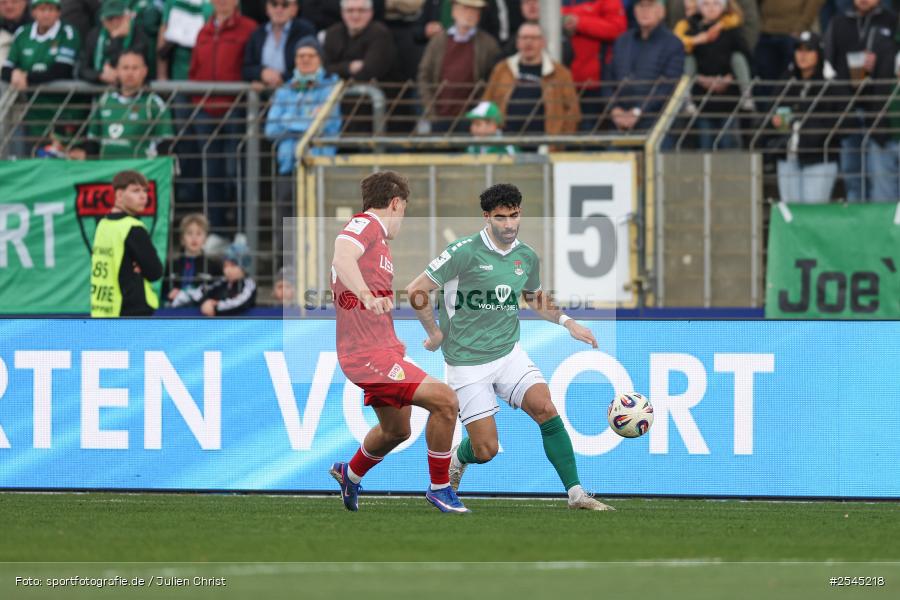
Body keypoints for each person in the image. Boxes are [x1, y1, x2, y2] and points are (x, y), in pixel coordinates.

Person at [405, 183, 613, 511]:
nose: (509, 224)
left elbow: (534, 297)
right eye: (501, 218)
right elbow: (416, 290)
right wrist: (433, 333)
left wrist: (568, 323)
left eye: (514, 216)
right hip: (466, 362)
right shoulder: (463, 252)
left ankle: (576, 494)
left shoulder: (526, 256)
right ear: (487, 217)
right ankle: (460, 459)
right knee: (485, 449)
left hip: (508, 353)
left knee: (545, 406)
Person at [329, 171, 469, 514]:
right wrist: (366, 295)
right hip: (367, 354)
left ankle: (351, 473)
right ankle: (440, 489)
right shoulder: (367, 225)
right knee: (446, 402)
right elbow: (340, 256)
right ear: (395, 203)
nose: (402, 219)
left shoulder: (379, 244)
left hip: (380, 349)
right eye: (404, 210)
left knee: (396, 430)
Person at [265, 35, 341, 250]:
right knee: (286, 224)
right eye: (300, 56)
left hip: (318, 166)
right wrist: (307, 123)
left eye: (311, 55)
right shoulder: (285, 89)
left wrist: (287, 122)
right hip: (288, 166)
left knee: (317, 222)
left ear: (320, 59)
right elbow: (270, 129)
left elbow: (327, 127)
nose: (305, 60)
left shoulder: (331, 87)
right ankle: (286, 273)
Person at [188, 0, 256, 230]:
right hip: (205, 112)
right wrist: (198, 101)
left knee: (234, 173)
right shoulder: (203, 30)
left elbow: (250, 65)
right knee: (211, 173)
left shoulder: (249, 28)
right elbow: (194, 69)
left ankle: (241, 232)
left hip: (235, 110)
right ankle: (216, 231)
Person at [823, 0, 897, 202]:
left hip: (879, 111)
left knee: (878, 177)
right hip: (848, 109)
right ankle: (858, 224)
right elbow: (829, 67)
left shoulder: (891, 20)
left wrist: (880, 61)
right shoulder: (838, 22)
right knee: (852, 173)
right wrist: (842, 102)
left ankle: (878, 227)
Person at [769, 31, 839, 204]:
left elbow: (840, 120)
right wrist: (774, 122)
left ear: (818, 53)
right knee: (790, 214)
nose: (802, 55)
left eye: (808, 50)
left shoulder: (829, 84)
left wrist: (808, 127)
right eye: (799, 50)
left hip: (818, 159)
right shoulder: (787, 80)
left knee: (813, 214)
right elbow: (771, 110)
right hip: (787, 157)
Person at [482, 22, 581, 140]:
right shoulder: (501, 69)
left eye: (534, 38)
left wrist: (558, 143)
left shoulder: (560, 73)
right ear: (517, 42)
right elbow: (486, 104)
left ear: (543, 42)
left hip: (545, 145)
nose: (528, 42)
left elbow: (572, 112)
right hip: (506, 143)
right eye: (524, 38)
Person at [1, 0, 81, 144]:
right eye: (42, 9)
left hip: (60, 110)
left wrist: (26, 76)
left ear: (58, 12)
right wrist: (14, 74)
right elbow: (7, 69)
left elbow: (61, 70)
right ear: (33, 12)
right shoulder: (22, 33)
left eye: (51, 9)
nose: (46, 14)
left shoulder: (68, 33)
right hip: (29, 113)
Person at [418, 0, 500, 133]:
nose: (470, 14)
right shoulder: (438, 41)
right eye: (465, 9)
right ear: (454, 12)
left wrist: (477, 113)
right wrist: (430, 111)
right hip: (439, 116)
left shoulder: (489, 45)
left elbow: (492, 81)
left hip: (471, 120)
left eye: (475, 11)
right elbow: (424, 76)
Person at [90, 170, 163, 318]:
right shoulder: (133, 227)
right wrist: (138, 266)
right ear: (119, 195)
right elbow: (155, 272)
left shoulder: (102, 224)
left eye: (145, 191)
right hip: (132, 310)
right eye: (136, 191)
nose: (143, 196)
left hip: (102, 308)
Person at [605, 0, 684, 134]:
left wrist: (638, 111)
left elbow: (668, 85)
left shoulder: (673, 44)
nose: (644, 11)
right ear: (634, 11)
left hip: (656, 126)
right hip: (618, 123)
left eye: (650, 6)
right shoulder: (622, 41)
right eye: (641, 6)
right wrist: (614, 109)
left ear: (661, 11)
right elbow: (607, 78)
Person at [686, 0, 751, 149]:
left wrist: (730, 78)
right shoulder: (693, 31)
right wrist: (701, 79)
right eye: (706, 4)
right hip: (702, 99)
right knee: (705, 142)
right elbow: (688, 58)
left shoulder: (733, 31)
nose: (711, 8)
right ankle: (686, 99)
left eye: (716, 3)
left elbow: (745, 57)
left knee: (729, 142)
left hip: (729, 98)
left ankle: (747, 94)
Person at [85, 50, 174, 158]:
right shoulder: (104, 100)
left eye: (135, 68)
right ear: (117, 71)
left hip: (140, 171)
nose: (130, 73)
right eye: (125, 68)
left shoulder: (154, 103)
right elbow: (92, 141)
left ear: (144, 71)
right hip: (107, 170)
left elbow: (165, 143)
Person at [560, 0, 627, 123]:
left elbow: (618, 29)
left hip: (594, 85)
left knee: (589, 134)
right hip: (560, 83)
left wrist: (579, 22)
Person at [241, 0, 315, 90]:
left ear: (294, 9)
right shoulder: (257, 33)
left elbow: (311, 64)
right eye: (274, 4)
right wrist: (261, 73)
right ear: (267, 8)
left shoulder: (305, 31)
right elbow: (246, 68)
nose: (279, 9)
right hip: (262, 98)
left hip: (294, 95)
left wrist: (282, 78)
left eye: (285, 5)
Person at [79, 0, 152, 85]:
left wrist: (116, 38)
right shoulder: (94, 35)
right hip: (100, 92)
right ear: (103, 20)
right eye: (110, 18)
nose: (115, 22)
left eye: (118, 17)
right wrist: (100, 75)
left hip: (132, 92)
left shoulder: (138, 35)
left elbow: (136, 63)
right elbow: (82, 69)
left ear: (126, 17)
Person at [755, 0, 825, 83]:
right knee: (764, 79)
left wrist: (801, 25)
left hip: (793, 32)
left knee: (793, 78)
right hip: (766, 30)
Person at [163, 212, 223, 307]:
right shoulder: (171, 265)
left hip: (202, 314)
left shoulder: (213, 266)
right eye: (189, 233)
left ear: (205, 239)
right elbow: (162, 292)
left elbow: (220, 291)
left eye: (199, 233)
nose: (194, 238)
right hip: (175, 314)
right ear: (182, 239)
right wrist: (169, 295)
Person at [199, 241, 257, 316]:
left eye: (232, 265)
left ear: (244, 267)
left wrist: (216, 306)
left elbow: (240, 303)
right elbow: (203, 291)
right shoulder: (222, 282)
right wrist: (206, 302)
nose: (227, 270)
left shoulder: (249, 284)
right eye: (225, 266)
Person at [0, 0, 30, 65]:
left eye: (14, 2)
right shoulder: (2, 30)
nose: (9, 6)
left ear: (25, 3)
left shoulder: (37, 28)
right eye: (3, 2)